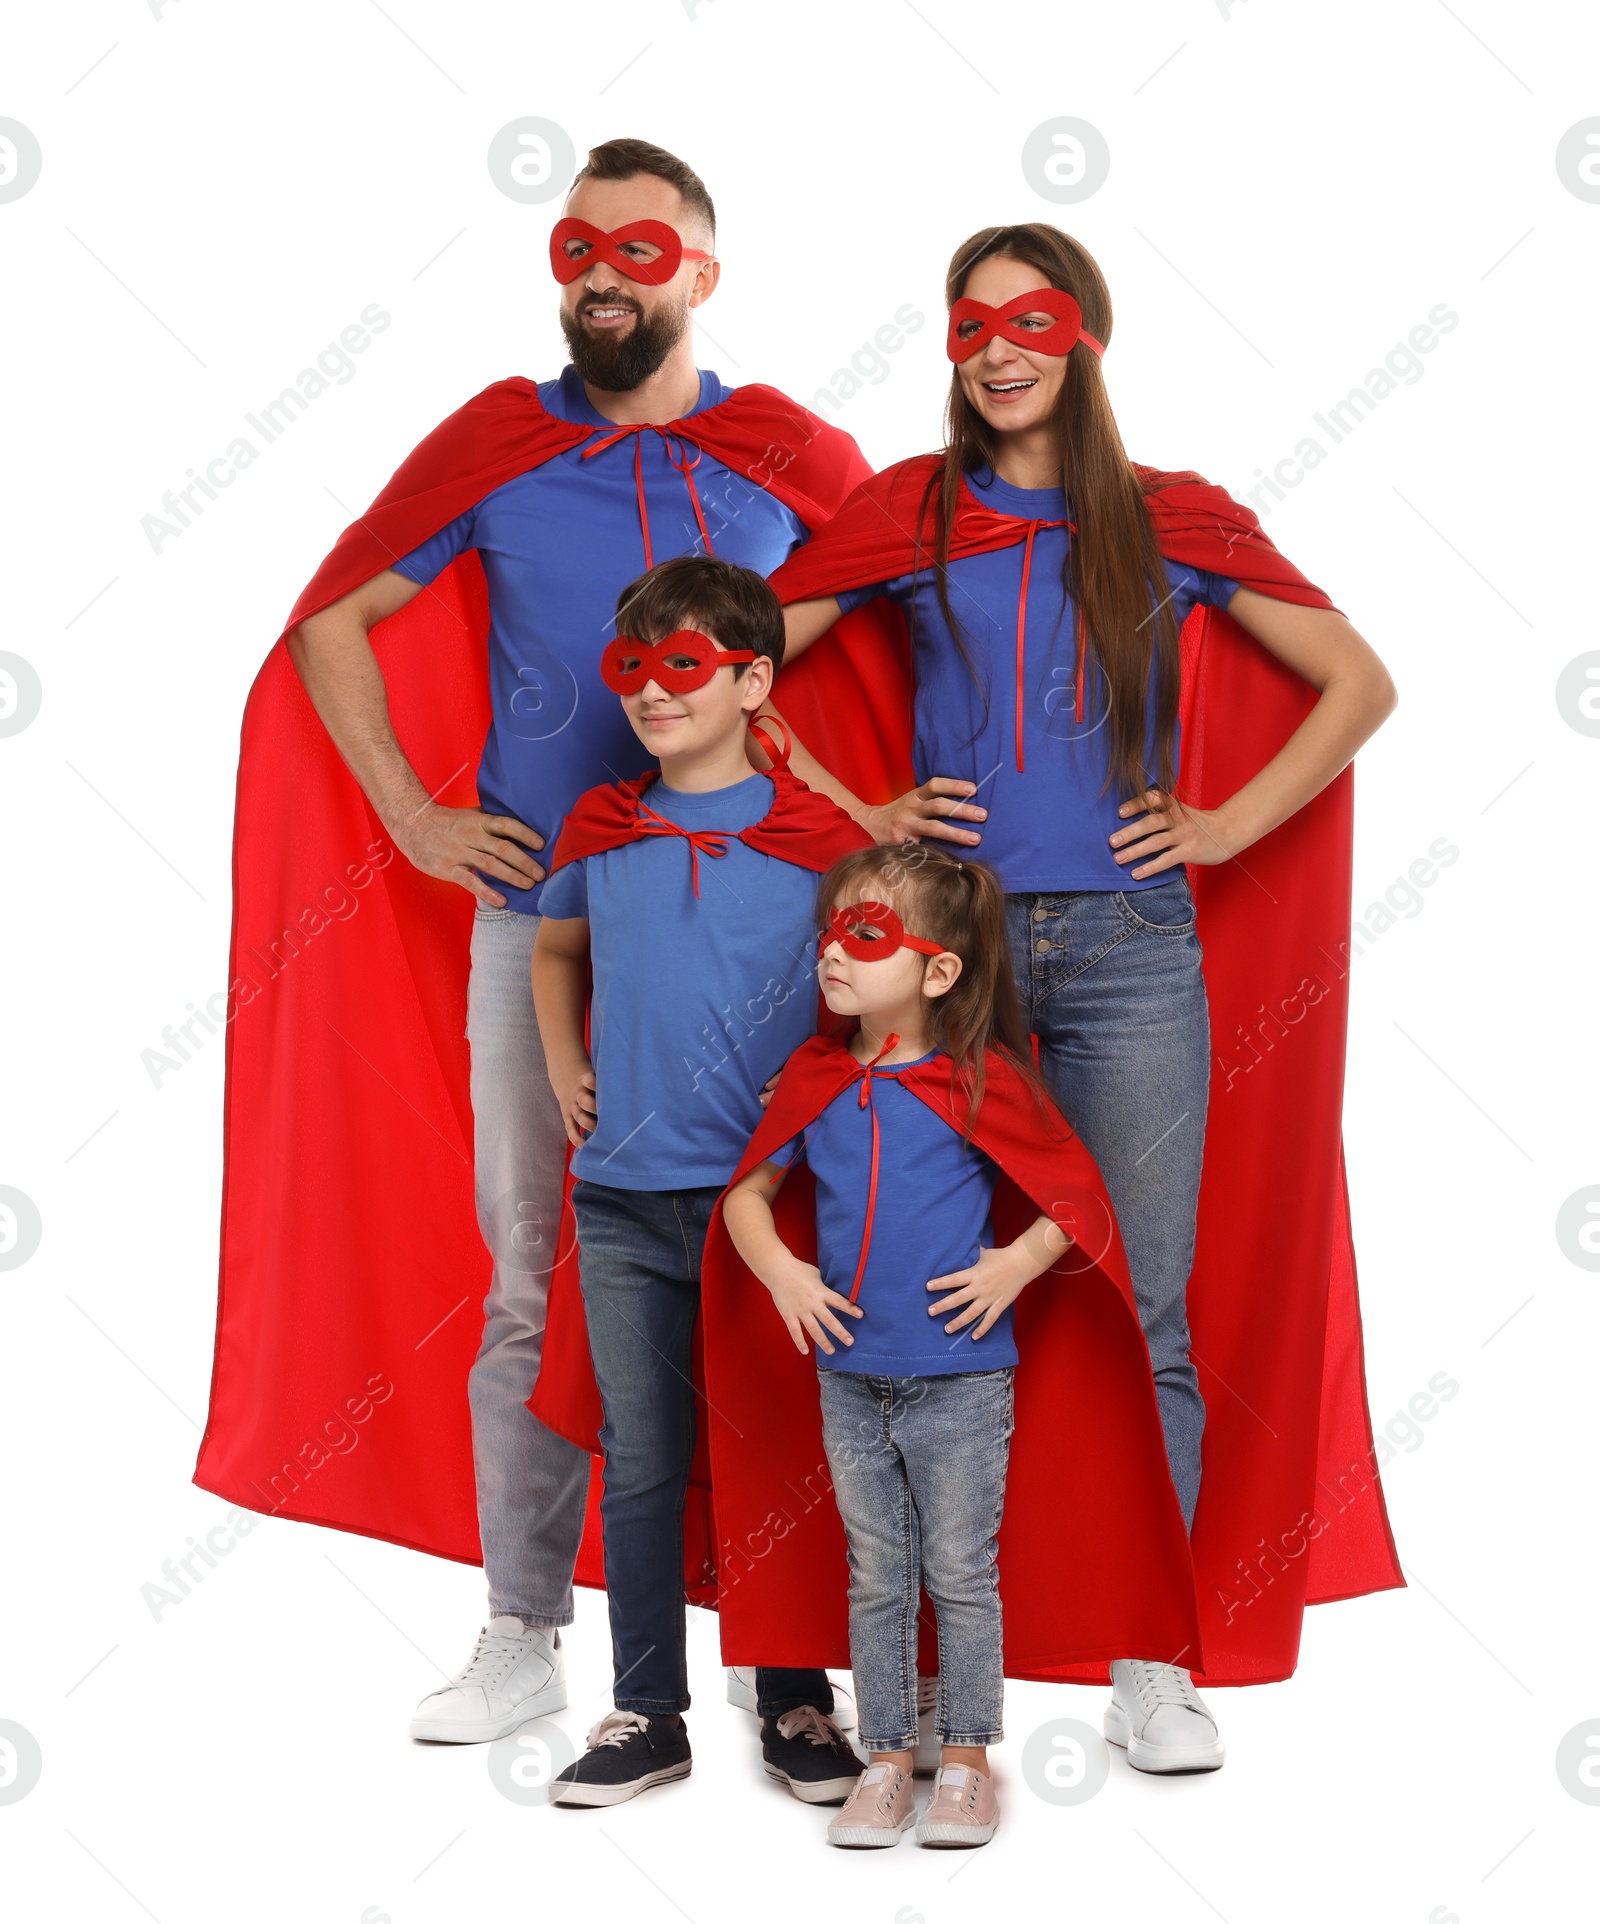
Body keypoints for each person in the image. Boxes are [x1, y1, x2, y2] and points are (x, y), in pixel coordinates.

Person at [194, 138, 885, 1742]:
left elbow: (905, 607)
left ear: (701, 278)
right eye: (579, 246)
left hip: (762, 926)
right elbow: (333, 617)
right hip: (546, 921)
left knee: (770, 1263)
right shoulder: (498, 446)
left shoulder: (792, 453)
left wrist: (863, 804)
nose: (602, 274)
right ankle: (522, 1628)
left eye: (643, 251)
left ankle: (788, 1666)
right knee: (534, 1273)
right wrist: (418, 819)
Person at [757, 222, 1402, 1767]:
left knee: (1138, 1297)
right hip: (945, 961)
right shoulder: (909, 513)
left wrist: (1230, 822)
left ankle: (1148, 1659)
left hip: (1126, 948)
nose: (993, 347)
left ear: (1086, 340)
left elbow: (1360, 679)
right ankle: (922, 1653)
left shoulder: (1170, 518)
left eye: (1027, 320)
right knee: (914, 1292)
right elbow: (736, 659)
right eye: (967, 323)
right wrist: (866, 815)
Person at [531, 556, 873, 1807]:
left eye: (683, 664)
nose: (651, 691)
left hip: (768, 1212)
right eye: (634, 666)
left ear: (753, 681)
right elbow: (555, 946)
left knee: (775, 1450)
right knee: (642, 1454)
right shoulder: (602, 827)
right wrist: (567, 1062)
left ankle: (793, 1695)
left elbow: (870, 1012)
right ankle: (645, 1711)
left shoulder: (816, 842)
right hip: (622, 1200)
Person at [724, 847, 1065, 1847]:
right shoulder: (815, 1075)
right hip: (849, 1376)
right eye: (831, 930)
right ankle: (884, 1754)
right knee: (876, 1570)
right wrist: (784, 1273)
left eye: (865, 936)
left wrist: (1013, 1265)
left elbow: (1075, 1197)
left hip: (959, 1375)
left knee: (959, 1570)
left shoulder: (978, 1079)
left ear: (938, 970)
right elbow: (747, 1194)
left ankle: (964, 1758)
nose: (834, 951)